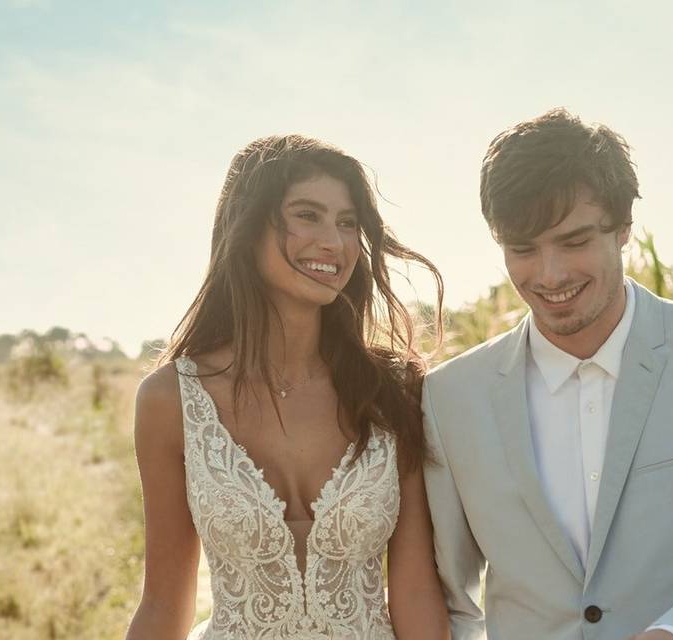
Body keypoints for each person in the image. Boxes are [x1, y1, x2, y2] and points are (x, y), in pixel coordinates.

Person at [422, 108, 673, 639]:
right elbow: (451, 597)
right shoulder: (451, 396)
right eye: (522, 249)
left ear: (623, 229)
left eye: (573, 242)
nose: (550, 275)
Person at [126, 135, 450, 640]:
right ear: (247, 226)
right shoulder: (172, 400)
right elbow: (164, 603)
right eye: (307, 215)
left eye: (347, 223)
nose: (334, 242)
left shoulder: (393, 390)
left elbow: (413, 590)